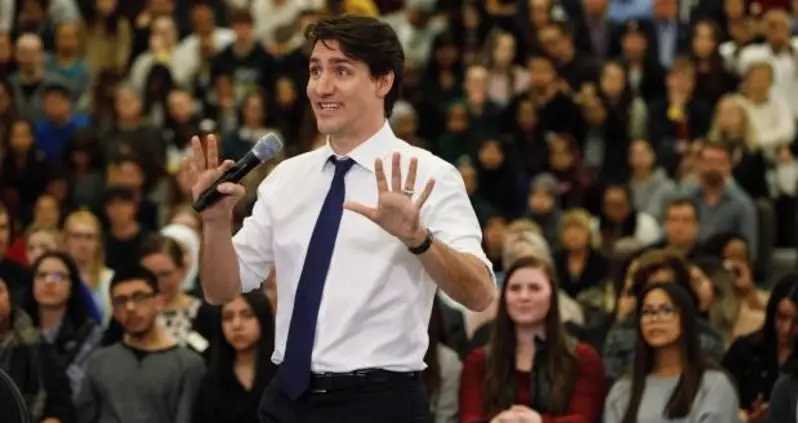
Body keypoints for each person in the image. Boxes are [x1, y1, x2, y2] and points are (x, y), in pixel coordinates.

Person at [184, 14, 495, 423]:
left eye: (341, 70)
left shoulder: (429, 175)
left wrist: (419, 238)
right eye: (315, 70)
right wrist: (215, 224)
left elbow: (480, 293)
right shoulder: (287, 177)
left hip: (379, 403)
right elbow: (221, 289)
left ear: (383, 81)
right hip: (286, 399)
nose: (320, 86)